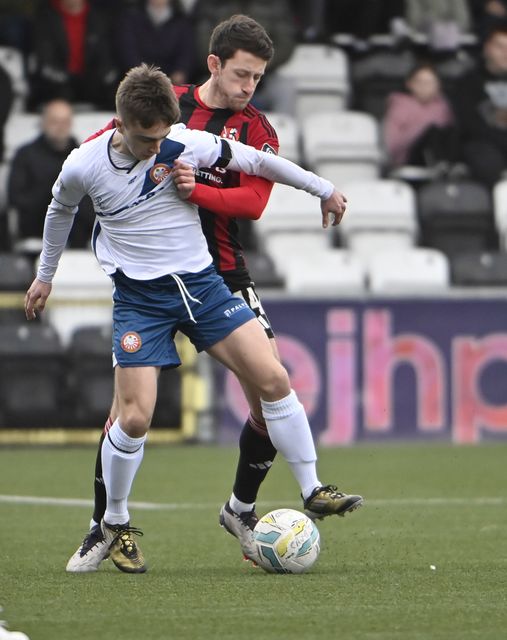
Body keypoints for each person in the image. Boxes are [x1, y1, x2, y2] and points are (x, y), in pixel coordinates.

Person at [24, 62, 361, 573]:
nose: (154, 149)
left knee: (273, 377)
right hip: (140, 299)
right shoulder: (82, 164)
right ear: (119, 124)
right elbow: (58, 212)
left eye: (161, 137)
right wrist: (44, 275)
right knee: (135, 417)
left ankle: (311, 487)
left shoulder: (184, 142)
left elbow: (260, 164)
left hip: (203, 287)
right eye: (144, 139)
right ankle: (113, 523)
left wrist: (322, 187)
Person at [7, 99, 94, 254]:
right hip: (37, 226)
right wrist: (52, 186)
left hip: (79, 231)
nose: (61, 127)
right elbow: (15, 198)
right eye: (55, 121)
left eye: (65, 121)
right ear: (43, 123)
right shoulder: (25, 155)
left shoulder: (83, 155)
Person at [191, 1, 297, 114]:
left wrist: (258, 62)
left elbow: (286, 43)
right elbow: (201, 44)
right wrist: (232, 64)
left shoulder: (274, 3)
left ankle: (277, 131)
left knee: (285, 89)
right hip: (221, 71)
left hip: (264, 74)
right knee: (202, 89)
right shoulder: (211, 3)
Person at [28, 0, 118, 110]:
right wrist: (62, 79)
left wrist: (103, 77)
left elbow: (105, 56)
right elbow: (44, 57)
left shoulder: (98, 16)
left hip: (91, 82)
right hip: (57, 82)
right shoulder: (45, 16)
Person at [451, 26, 507, 188]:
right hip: (485, 145)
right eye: (500, 47)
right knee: (485, 159)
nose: (505, 53)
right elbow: (470, 126)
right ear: (487, 49)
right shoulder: (468, 82)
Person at [383, 63, 457, 169]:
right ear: (409, 84)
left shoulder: (444, 107)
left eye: (429, 82)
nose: (424, 87)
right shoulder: (400, 106)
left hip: (442, 153)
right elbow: (392, 145)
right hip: (408, 157)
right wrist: (422, 128)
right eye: (420, 82)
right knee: (432, 132)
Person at [115, 0, 195, 84]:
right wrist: (143, 75)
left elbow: (186, 53)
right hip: (138, 79)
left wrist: (180, 71)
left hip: (172, 81)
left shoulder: (181, 20)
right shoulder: (131, 17)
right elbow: (128, 51)